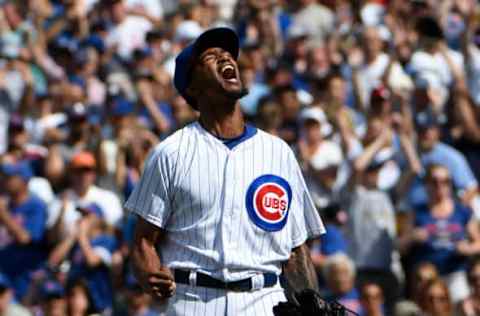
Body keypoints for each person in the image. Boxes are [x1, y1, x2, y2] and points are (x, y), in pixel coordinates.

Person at [126, 27, 325, 315]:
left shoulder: (278, 152)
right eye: (211, 56)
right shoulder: (170, 153)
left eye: (227, 54)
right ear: (192, 87)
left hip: (265, 301)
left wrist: (311, 303)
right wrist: (148, 272)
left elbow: (295, 249)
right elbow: (143, 240)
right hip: (193, 299)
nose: (224, 57)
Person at [400, 164, 480, 303]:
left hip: (455, 273)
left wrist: (466, 249)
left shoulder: (462, 211)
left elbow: (478, 243)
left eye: (445, 181)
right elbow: (400, 246)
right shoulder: (417, 212)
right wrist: (413, 237)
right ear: (426, 184)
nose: (439, 186)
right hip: (426, 275)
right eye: (434, 181)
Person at [0, 161, 48, 300]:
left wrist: (4, 215)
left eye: (11, 177)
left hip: (23, 277)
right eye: (5, 177)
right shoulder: (6, 204)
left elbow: (25, 238)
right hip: (4, 271)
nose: (5, 181)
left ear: (25, 180)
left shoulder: (36, 206)